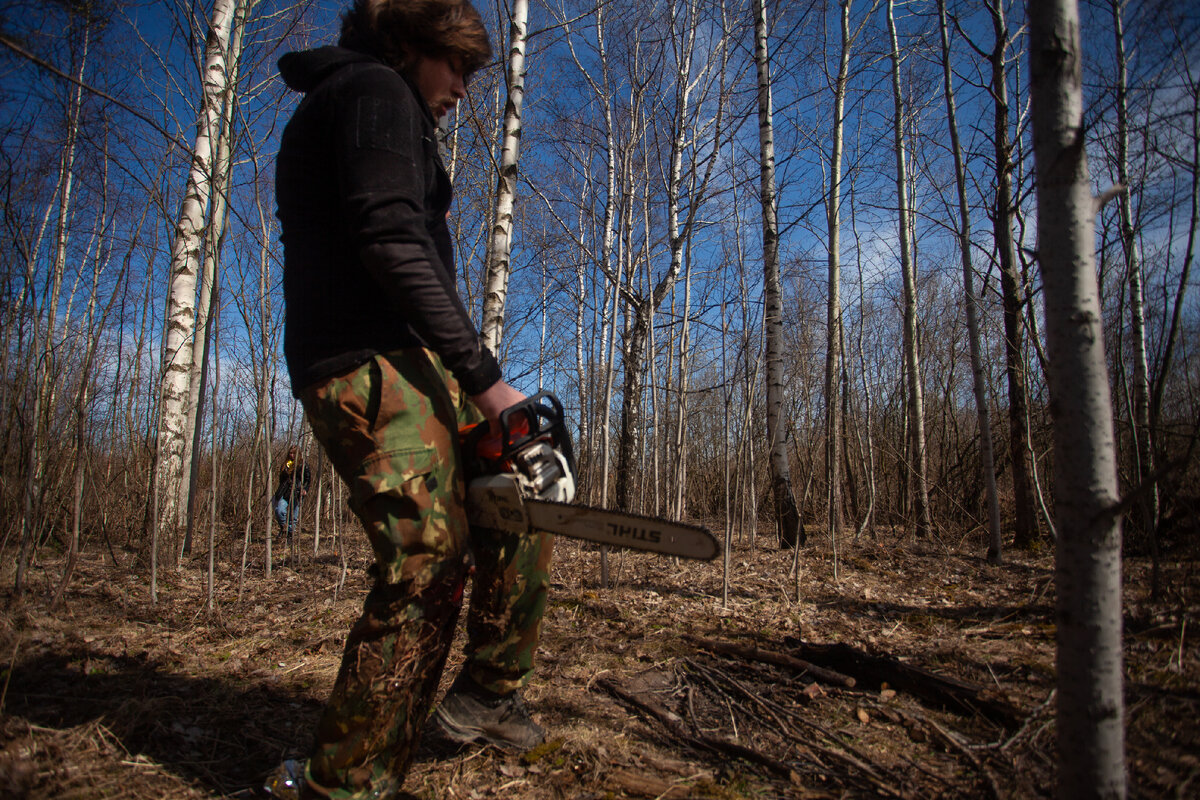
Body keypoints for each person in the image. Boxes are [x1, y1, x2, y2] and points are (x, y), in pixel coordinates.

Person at [271, 0, 554, 797]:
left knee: (519, 485)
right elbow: (391, 240)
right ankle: (345, 781)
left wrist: (478, 388)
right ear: (406, 45)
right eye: (455, 64)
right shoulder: (371, 93)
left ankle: (490, 693)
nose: (463, 87)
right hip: (368, 363)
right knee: (427, 562)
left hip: (415, 359)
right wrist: (487, 379)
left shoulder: (382, 104)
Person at [272, 446, 312, 545]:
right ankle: (283, 528)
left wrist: (305, 489)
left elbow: (308, 479)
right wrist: (285, 471)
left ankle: (290, 534)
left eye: (294, 453)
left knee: (293, 516)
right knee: (279, 510)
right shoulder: (287, 464)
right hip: (284, 491)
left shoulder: (303, 465)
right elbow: (281, 478)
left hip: (297, 493)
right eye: (290, 453)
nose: (292, 455)